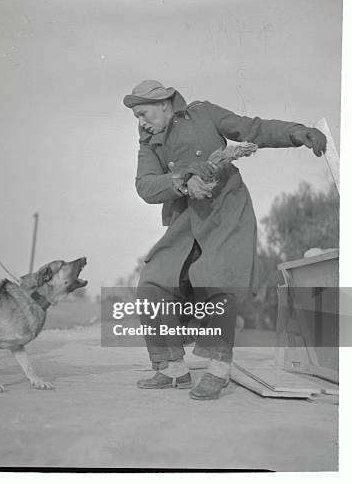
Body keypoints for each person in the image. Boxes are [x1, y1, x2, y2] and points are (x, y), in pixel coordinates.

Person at [123, 80, 326, 400]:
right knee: (153, 283)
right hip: (185, 221)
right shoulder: (149, 144)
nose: (140, 121)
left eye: (143, 113)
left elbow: (252, 129)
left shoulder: (204, 114)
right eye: (136, 116)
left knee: (216, 280)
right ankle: (172, 368)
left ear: (164, 103)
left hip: (225, 213)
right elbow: (145, 186)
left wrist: (297, 132)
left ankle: (219, 369)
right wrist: (182, 179)